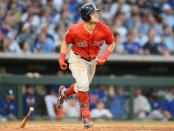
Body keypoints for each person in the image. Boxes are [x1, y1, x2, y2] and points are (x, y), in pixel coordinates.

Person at [57, 3, 115, 128]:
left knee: (82, 86)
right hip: (77, 59)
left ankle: (64, 93)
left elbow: (112, 43)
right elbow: (65, 42)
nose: (97, 14)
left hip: (92, 61)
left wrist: (104, 57)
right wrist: (62, 58)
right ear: (86, 16)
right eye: (94, 13)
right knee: (83, 85)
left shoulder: (104, 29)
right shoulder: (75, 29)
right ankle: (86, 115)